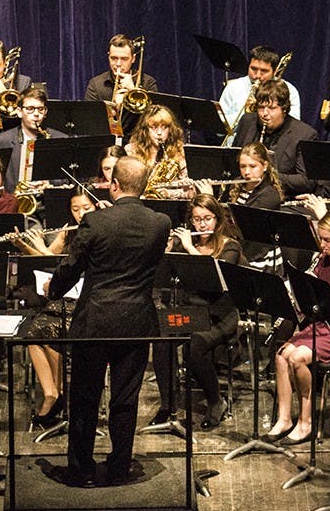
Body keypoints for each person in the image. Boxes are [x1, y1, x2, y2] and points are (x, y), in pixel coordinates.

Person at [44, 156, 171, 487]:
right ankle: (119, 468)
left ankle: (82, 470)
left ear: (113, 185)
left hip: (95, 323)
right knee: (125, 400)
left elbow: (73, 265)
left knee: (85, 399)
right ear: (144, 187)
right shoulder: (161, 223)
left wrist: (52, 289)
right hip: (136, 323)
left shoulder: (94, 221)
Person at [267, 209, 330, 445]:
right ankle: (284, 418)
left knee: (298, 358)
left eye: (327, 240)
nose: (321, 245)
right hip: (323, 325)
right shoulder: (322, 261)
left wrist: (328, 296)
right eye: (320, 239)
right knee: (282, 355)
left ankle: (306, 421)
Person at [151, 193, 243, 429]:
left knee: (194, 345)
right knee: (160, 337)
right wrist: (168, 251)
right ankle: (168, 405)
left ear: (218, 220)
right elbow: (164, 276)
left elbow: (214, 279)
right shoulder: (184, 246)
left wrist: (190, 248)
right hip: (190, 313)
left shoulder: (230, 247)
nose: (202, 225)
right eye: (197, 219)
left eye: (208, 218)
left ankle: (215, 401)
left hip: (219, 316)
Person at [16, 188, 98, 427]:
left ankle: (62, 390)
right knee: (33, 332)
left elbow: (68, 266)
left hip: (87, 301)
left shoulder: (98, 231)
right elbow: (49, 260)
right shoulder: (68, 232)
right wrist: (28, 246)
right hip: (64, 298)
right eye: (75, 209)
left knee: (52, 331)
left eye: (86, 208)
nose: (80, 214)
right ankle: (51, 392)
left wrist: (39, 246)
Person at [231, 79, 318, 198]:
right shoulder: (247, 122)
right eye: (261, 107)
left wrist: (267, 176)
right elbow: (232, 163)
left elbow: (306, 181)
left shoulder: (304, 134)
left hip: (281, 200)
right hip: (243, 194)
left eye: (271, 108)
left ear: (284, 109)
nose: (264, 114)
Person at [0, 86, 67, 191]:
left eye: (40, 109)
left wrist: (49, 183)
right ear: (19, 112)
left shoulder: (60, 139)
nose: (36, 114)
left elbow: (68, 178)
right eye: (30, 109)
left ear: (45, 112)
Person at [222, 142, 283, 270]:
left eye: (252, 166)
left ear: (265, 166)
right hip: (237, 247)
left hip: (257, 255)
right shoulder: (235, 185)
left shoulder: (270, 195)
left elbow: (244, 223)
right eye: (243, 166)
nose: (247, 172)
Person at [84, 34, 159, 137]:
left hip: (139, 144)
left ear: (133, 59)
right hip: (107, 145)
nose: (118, 63)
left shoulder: (148, 82)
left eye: (124, 59)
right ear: (108, 56)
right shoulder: (96, 85)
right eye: (114, 58)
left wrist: (133, 91)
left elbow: (156, 119)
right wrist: (113, 110)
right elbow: (89, 122)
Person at [219, 45, 302, 125]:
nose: (257, 75)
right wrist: (245, 113)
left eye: (264, 71)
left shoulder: (290, 90)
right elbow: (221, 124)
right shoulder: (233, 87)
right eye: (253, 69)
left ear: (275, 71)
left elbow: (294, 125)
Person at [125, 105, 190, 199]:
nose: (159, 133)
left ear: (171, 130)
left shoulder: (179, 152)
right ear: (145, 130)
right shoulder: (131, 150)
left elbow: (188, 191)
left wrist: (168, 193)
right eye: (153, 127)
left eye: (164, 127)